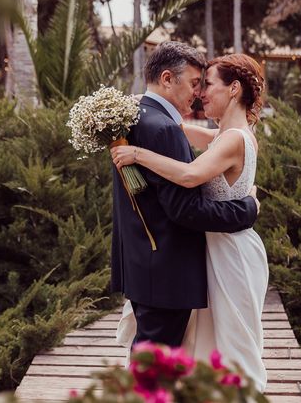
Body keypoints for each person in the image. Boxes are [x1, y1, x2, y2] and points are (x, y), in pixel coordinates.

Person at [112, 52, 269, 392]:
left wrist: (137, 154)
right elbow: (177, 130)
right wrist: (140, 104)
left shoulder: (232, 138)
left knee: (233, 345)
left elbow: (188, 175)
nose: (201, 94)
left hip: (230, 251)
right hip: (215, 246)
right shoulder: (225, 134)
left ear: (234, 89)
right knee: (212, 343)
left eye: (207, 84)